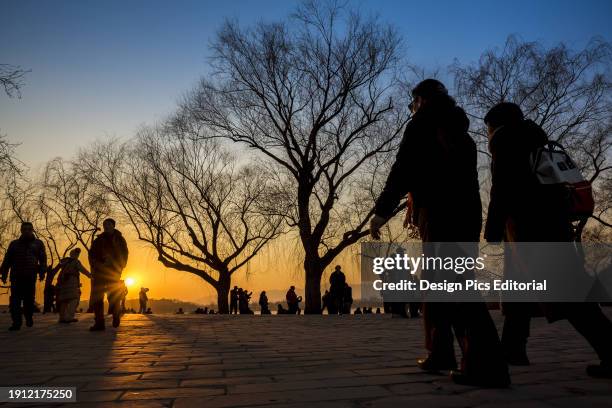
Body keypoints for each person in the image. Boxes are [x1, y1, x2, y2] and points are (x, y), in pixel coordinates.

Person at [370, 79, 510, 387]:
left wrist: (381, 212)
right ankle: (443, 353)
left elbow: (402, 169)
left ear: (420, 100)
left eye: (412, 104)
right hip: (466, 214)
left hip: (441, 214)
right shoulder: (462, 133)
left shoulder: (423, 124)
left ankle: (486, 364)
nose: (412, 109)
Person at [484, 102, 612, 378]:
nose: (488, 134)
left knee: (568, 293)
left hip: (530, 229)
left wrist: (492, 230)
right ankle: (513, 348)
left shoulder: (506, 140)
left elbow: (503, 187)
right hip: (548, 225)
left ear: (496, 125)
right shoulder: (536, 137)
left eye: (488, 128)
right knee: (518, 288)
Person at [0, 222, 47, 331]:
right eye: (24, 229)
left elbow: (43, 259)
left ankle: (28, 316)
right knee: (15, 301)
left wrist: (42, 272)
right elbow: (7, 260)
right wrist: (4, 273)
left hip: (30, 276)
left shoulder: (38, 243)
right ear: (21, 230)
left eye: (29, 229)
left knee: (29, 300)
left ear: (32, 230)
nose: (26, 231)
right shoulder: (14, 244)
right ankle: (16, 322)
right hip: (16, 276)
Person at [88, 218, 129, 331]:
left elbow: (124, 254)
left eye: (109, 224)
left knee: (113, 295)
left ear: (113, 226)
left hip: (113, 272)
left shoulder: (120, 239)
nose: (106, 226)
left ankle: (116, 314)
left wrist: (119, 266)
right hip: (99, 271)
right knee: (97, 297)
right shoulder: (98, 240)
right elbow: (92, 254)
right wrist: (95, 264)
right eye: (105, 225)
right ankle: (99, 323)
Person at [55, 248, 91, 323]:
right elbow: (82, 269)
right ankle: (69, 317)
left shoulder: (64, 262)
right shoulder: (75, 262)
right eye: (77, 254)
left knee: (64, 301)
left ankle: (62, 318)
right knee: (74, 299)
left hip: (63, 283)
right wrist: (89, 275)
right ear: (75, 255)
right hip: (72, 282)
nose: (78, 255)